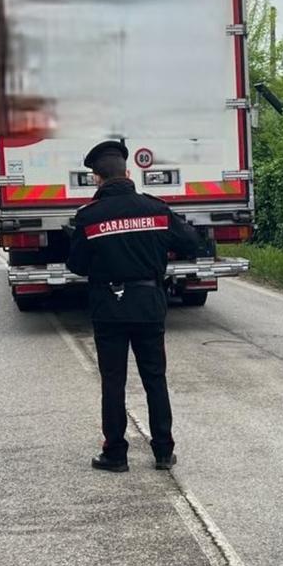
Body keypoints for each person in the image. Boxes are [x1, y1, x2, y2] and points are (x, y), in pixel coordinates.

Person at [67, 139, 200, 473]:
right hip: (149, 306)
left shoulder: (89, 217)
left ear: (97, 178)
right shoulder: (156, 210)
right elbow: (190, 243)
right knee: (155, 378)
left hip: (109, 309)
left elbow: (77, 266)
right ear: (128, 173)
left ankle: (115, 454)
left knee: (113, 381)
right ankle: (163, 451)